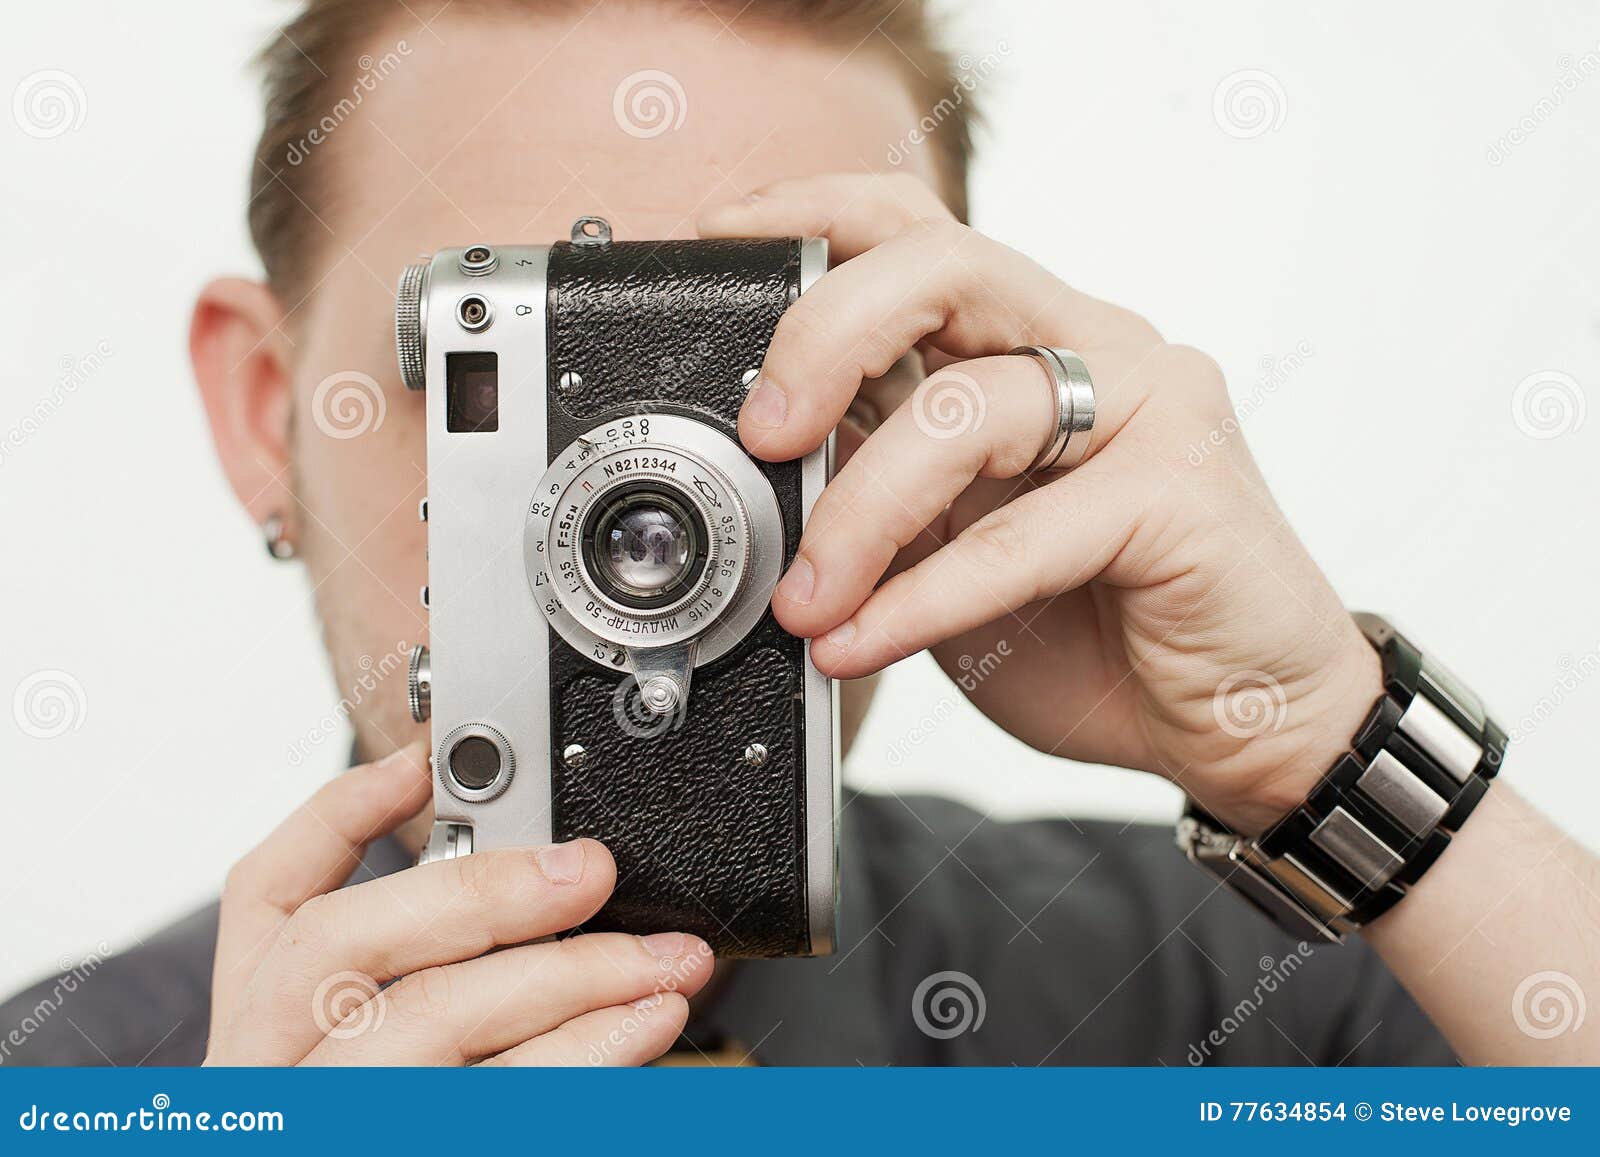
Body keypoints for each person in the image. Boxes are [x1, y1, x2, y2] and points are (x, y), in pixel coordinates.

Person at [4, 0, 1596, 1067]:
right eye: (519, 361)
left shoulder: (1211, 998)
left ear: (951, 383)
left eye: (770, 355)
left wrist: (1324, 746)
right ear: (265, 412)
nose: (654, 512)